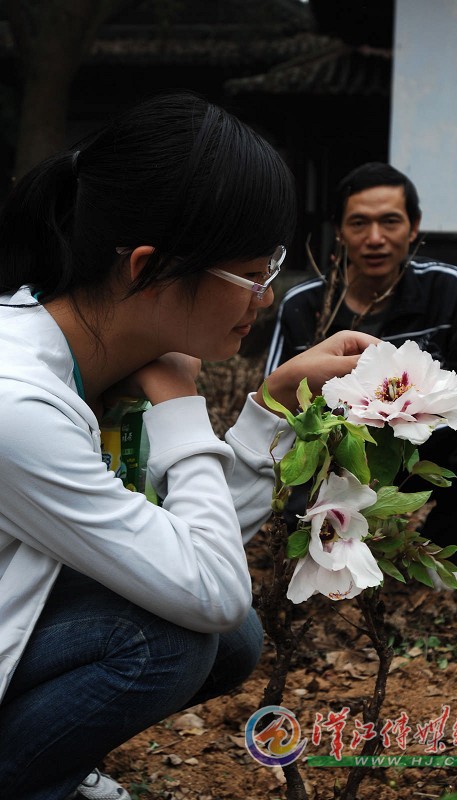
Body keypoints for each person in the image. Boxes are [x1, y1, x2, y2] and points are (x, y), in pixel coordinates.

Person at [0, 93, 378, 800]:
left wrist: (269, 412)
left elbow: (192, 565)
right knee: (169, 640)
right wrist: (180, 412)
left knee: (223, 636)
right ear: (145, 267)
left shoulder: (70, 356)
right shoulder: (16, 402)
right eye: (251, 272)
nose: (265, 298)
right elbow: (209, 590)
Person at [266, 161, 457, 592]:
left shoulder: (446, 288)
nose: (375, 238)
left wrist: (414, 419)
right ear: (340, 232)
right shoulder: (302, 305)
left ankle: (443, 559)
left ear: (414, 227)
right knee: (303, 524)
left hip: (425, 448)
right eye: (359, 223)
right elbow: (274, 398)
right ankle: (335, 568)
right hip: (334, 456)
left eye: (390, 221)